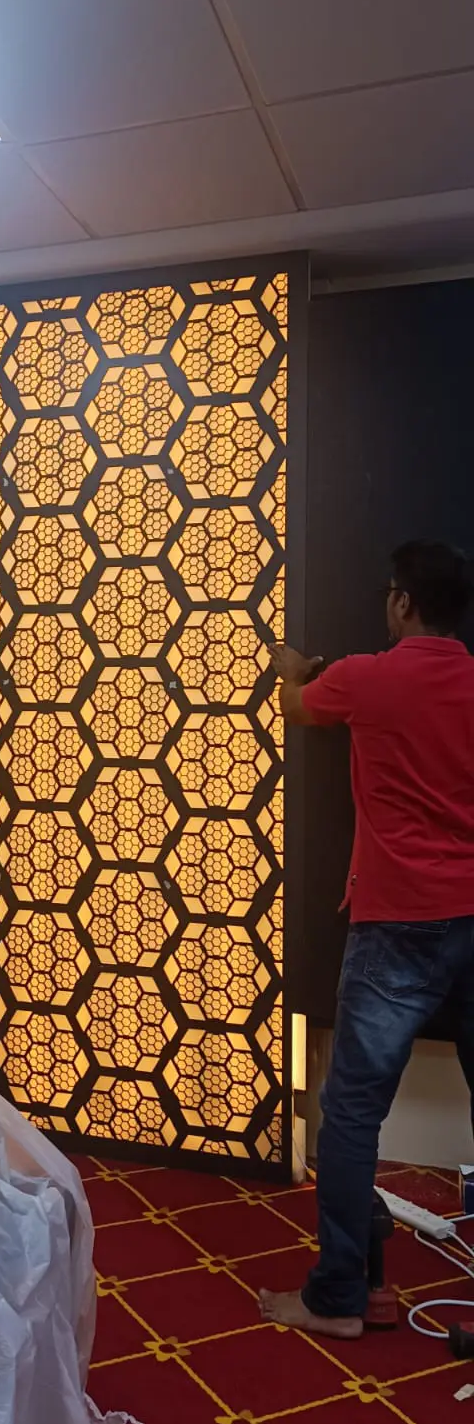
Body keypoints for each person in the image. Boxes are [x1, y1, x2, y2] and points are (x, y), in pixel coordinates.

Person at [259, 540, 474, 1340]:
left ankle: (339, 1299)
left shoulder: (365, 677)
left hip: (396, 924)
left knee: (349, 1115)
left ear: (403, 602)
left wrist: (292, 670)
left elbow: (297, 706)